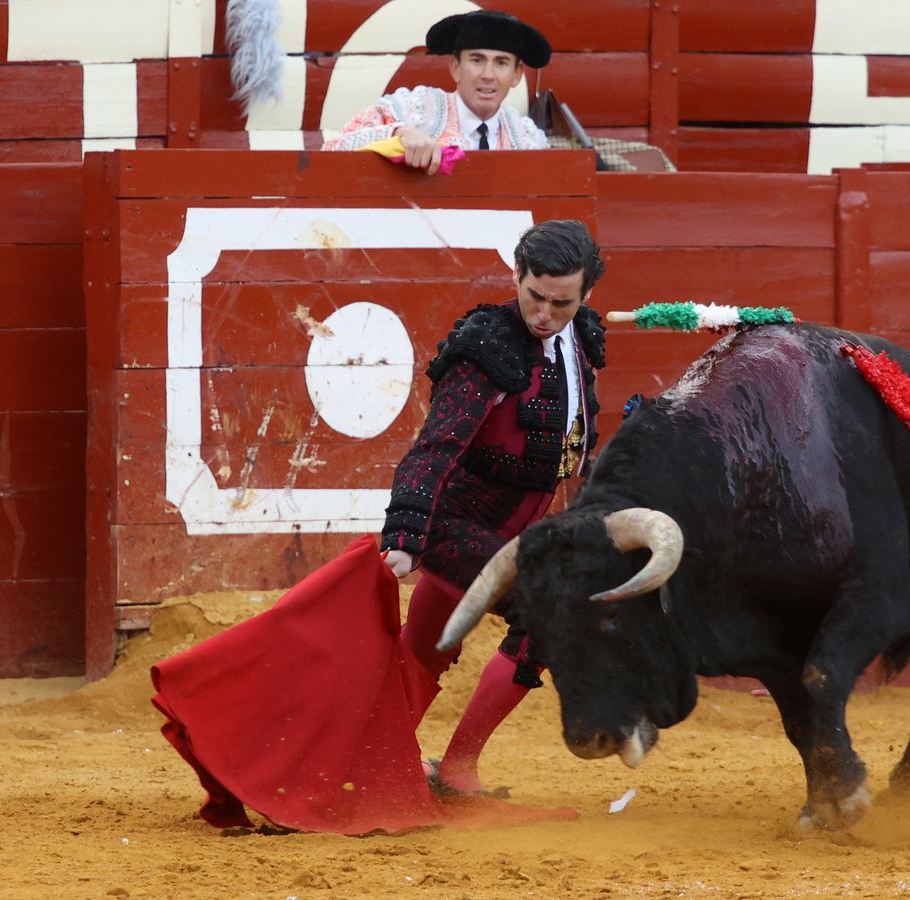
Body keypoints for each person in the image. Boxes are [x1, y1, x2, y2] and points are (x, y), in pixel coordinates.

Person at [382, 218, 606, 795]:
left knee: (428, 641)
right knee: (551, 608)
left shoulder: (580, 338)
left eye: (562, 302)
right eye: (534, 295)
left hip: (514, 533)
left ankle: (367, 759)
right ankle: (456, 771)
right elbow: (434, 447)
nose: (543, 315)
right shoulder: (487, 347)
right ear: (516, 276)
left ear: (585, 297)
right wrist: (405, 534)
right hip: (454, 524)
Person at [322, 10, 552, 173]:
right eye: (477, 60)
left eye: (501, 63)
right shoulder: (414, 111)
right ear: (455, 68)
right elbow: (333, 150)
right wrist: (398, 134)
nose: (488, 75)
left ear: (516, 75)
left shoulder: (528, 138)